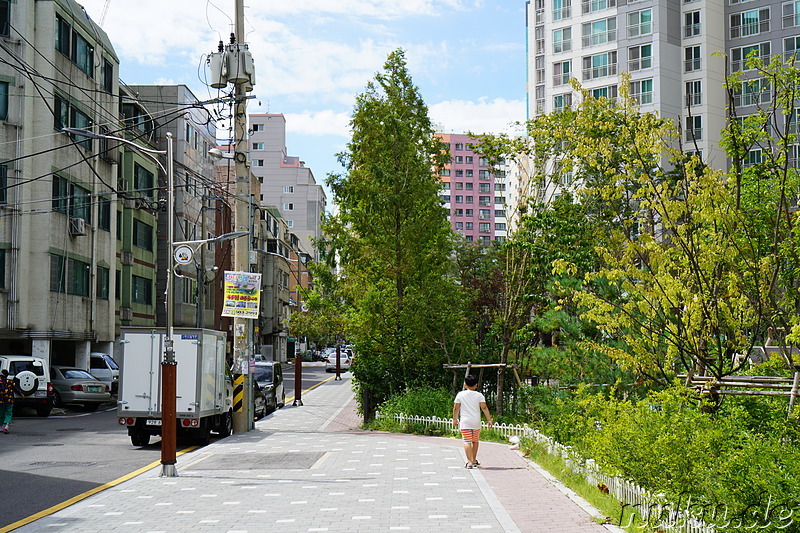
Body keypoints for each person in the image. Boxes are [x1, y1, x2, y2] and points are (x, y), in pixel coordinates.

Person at [453, 374, 492, 469]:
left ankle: (469, 462)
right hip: (476, 422)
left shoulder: (460, 394)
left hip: (465, 422)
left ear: (465, 384)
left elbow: (456, 408)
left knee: (467, 441)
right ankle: (474, 459)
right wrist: (489, 419)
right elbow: (484, 407)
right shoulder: (479, 395)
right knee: (475, 441)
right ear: (476, 385)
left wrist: (455, 419)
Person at [0, 369, 15, 434]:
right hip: (9, 400)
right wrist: (22, 394)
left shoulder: (0, 382)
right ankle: (6, 426)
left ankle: (0, 427)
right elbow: (16, 389)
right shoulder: (10, 382)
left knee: (1, 413)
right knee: (8, 413)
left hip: (1, 400)